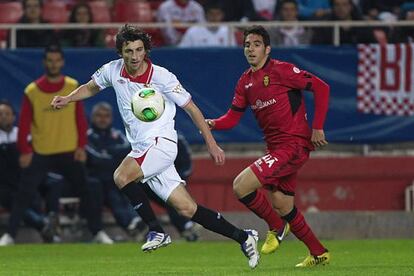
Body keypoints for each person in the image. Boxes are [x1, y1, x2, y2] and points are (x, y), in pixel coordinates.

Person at [51, 24, 260, 269]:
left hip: (162, 143)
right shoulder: (112, 70)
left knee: (121, 176)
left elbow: (191, 109)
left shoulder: (162, 76)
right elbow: (90, 87)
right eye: (128, 51)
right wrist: (67, 98)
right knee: (187, 208)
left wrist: (211, 143)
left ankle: (156, 230)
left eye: (139, 50)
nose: (134, 56)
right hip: (142, 147)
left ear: (146, 51)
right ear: (121, 52)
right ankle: (244, 237)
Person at [206, 25, 331, 268]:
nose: (251, 49)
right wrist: (211, 123)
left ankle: (276, 226)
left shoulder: (283, 70)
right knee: (283, 204)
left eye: (256, 44)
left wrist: (318, 127)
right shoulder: (245, 81)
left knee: (241, 186)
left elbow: (322, 88)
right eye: (247, 45)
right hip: (276, 149)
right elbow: (232, 118)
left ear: (267, 48)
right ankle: (319, 253)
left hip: (293, 144)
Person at [0, 45, 105, 245]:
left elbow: (80, 120)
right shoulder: (32, 91)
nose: (53, 64)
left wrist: (82, 146)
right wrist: (25, 150)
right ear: (44, 62)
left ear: (62, 62)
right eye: (50, 60)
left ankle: (98, 232)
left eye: (57, 60)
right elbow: (24, 124)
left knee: (86, 191)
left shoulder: (72, 86)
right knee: (24, 194)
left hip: (69, 150)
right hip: (42, 151)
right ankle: (10, 235)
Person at [0, 100, 56, 245]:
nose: (4, 117)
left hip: (23, 179)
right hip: (4, 185)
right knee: (15, 198)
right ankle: (43, 225)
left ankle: (50, 219)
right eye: (0, 114)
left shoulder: (23, 135)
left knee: (52, 182)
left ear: (13, 116)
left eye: (7, 114)